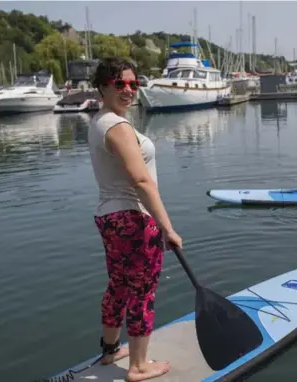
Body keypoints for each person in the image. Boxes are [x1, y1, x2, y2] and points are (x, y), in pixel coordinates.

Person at [88, 56, 182, 381]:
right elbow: (141, 181)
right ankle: (139, 367)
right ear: (103, 86)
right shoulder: (118, 126)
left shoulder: (100, 121)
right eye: (119, 84)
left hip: (109, 218)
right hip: (133, 222)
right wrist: (167, 228)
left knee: (118, 287)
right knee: (142, 293)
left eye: (133, 83)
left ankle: (110, 350)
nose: (128, 90)